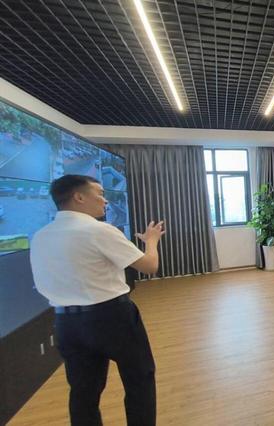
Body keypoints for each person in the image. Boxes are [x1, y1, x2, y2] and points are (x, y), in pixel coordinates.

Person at [30, 175, 165, 425]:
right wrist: (152, 242)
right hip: (112, 318)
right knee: (139, 380)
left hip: (66, 324)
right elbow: (149, 266)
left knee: (83, 392)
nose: (105, 200)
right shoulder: (99, 230)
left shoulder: (40, 236)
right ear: (79, 197)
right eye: (100, 194)